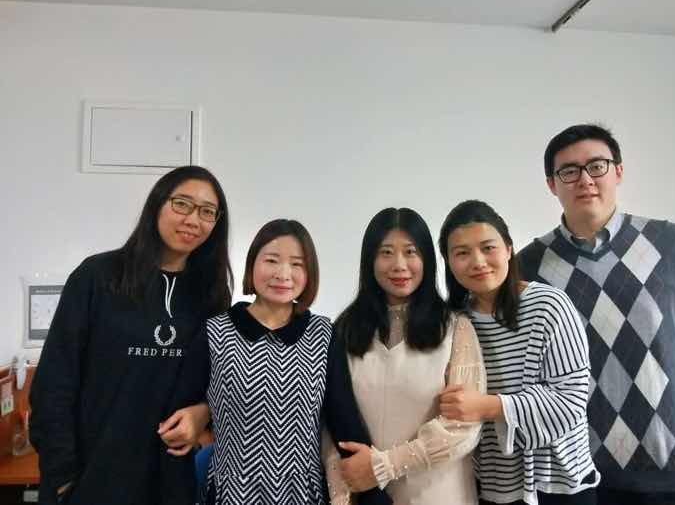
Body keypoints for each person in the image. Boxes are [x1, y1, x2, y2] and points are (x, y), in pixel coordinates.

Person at [517, 124, 675, 505]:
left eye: (597, 165)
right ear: (552, 184)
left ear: (618, 171)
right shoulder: (528, 268)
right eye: (569, 171)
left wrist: (664, 387)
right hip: (578, 476)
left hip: (674, 472)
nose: (585, 179)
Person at [29, 165, 233, 505]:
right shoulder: (98, 276)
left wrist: (203, 413)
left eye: (207, 211)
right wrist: (64, 478)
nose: (193, 219)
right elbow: (54, 383)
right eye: (182, 204)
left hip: (168, 482)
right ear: (157, 204)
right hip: (91, 479)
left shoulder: (211, 295)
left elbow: (216, 381)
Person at [438, 200, 599, 505]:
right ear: (448, 262)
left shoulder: (549, 306)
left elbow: (571, 400)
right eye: (462, 253)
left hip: (560, 486)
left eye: (488, 247)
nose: (478, 262)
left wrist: (487, 406)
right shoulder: (453, 322)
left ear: (509, 249)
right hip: (490, 487)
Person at [324, 207, 485, 505]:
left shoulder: (455, 328)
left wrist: (383, 466)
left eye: (410, 252)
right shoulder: (344, 330)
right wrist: (341, 493)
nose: (399, 265)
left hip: (440, 494)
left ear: (427, 259)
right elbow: (330, 423)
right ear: (370, 260)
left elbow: (463, 428)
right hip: (365, 497)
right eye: (386, 252)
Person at [175, 219, 333, 504]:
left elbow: (338, 414)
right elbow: (186, 403)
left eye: (297, 264)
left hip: (302, 492)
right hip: (232, 491)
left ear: (310, 273)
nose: (283, 273)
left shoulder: (324, 333)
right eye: (271, 260)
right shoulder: (216, 331)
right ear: (252, 265)